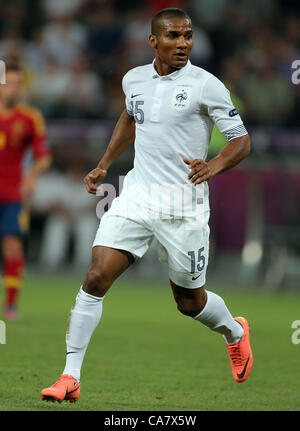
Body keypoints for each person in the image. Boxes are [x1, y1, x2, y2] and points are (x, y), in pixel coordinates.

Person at [41, 8, 252, 403]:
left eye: (188, 35)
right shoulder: (133, 79)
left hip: (184, 207)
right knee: (95, 277)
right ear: (153, 41)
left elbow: (242, 141)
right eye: (173, 36)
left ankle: (235, 332)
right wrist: (103, 165)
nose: (183, 43)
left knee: (189, 303)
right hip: (136, 196)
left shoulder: (207, 85)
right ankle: (70, 377)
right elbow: (128, 119)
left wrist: (214, 165)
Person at [0, 63, 51, 320]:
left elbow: (44, 156)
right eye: (9, 82)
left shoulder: (30, 118)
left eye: (18, 83)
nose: (14, 88)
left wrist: (30, 178)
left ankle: (11, 306)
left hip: (12, 192)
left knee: (12, 244)